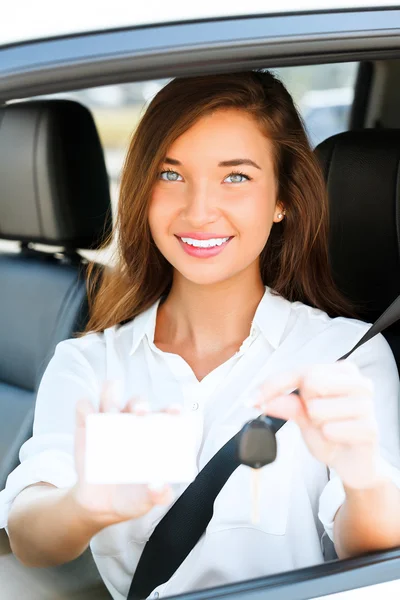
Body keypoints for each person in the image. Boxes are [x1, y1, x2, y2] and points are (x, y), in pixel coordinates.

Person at [1, 70, 400, 600]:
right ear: (143, 191)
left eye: (235, 177)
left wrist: (363, 475)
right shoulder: (88, 362)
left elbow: (370, 558)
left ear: (282, 198)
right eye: (171, 175)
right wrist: (83, 505)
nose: (199, 210)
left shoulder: (346, 358)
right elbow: (30, 536)